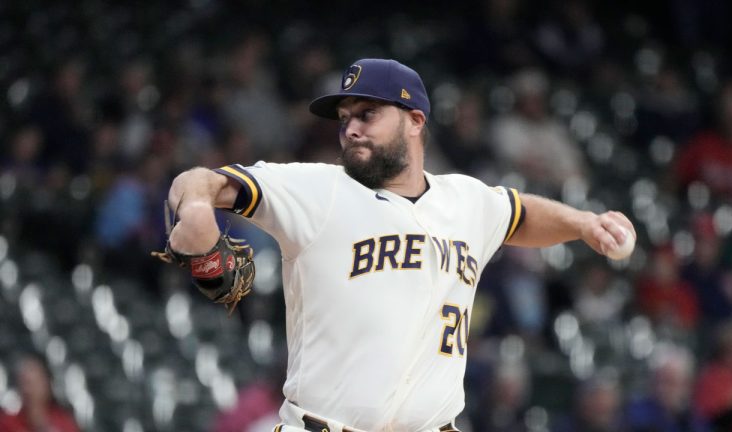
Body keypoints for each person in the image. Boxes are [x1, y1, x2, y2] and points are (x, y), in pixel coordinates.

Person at [163, 58, 635, 432]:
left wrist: (584, 224)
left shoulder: (466, 200)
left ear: (414, 120)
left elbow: (521, 215)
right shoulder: (317, 190)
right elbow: (200, 182)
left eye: (368, 114)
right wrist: (199, 209)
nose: (350, 128)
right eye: (345, 118)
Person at [0, 354, 80, 432]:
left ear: (47, 383)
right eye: (25, 383)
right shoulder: (7, 425)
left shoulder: (64, 423)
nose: (29, 390)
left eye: (35, 383)